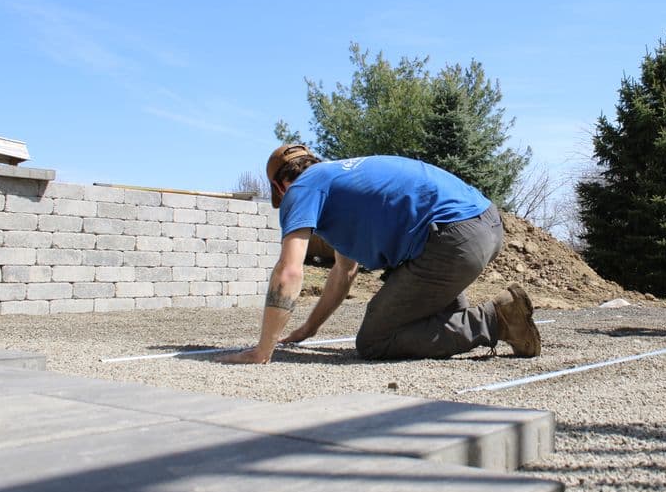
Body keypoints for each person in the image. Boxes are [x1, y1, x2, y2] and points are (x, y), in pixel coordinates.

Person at [219, 144, 541, 364]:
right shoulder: (340, 183)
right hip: (483, 225)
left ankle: (496, 319)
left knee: (375, 340)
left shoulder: (300, 189)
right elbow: (343, 272)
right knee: (423, 322)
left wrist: (263, 349)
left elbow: (289, 271)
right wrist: (309, 328)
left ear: (279, 188)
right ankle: (467, 320)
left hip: (452, 239)